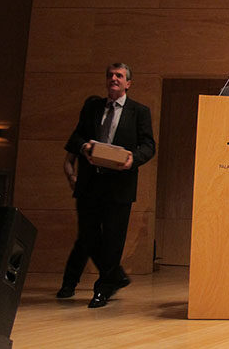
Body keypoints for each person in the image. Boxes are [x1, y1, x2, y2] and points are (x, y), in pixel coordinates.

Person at [57, 63, 156, 308]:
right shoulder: (92, 107)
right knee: (88, 236)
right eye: (110, 75)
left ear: (128, 83)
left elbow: (148, 146)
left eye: (119, 76)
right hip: (90, 183)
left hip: (119, 186)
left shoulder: (139, 111)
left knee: (113, 240)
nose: (114, 78)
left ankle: (102, 289)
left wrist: (133, 159)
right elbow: (76, 137)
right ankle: (115, 277)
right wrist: (85, 147)